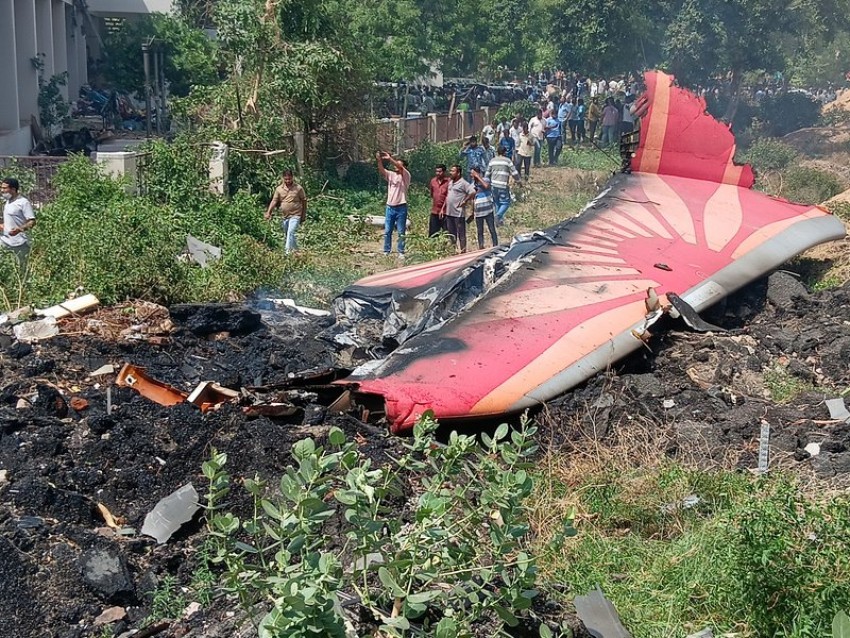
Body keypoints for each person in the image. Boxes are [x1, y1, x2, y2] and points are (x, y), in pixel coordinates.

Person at [375, 151, 411, 258]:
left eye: (399, 165)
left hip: (401, 206)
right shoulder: (391, 175)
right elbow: (382, 170)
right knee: (388, 230)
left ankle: (401, 251)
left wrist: (390, 159)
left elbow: (398, 166)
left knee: (401, 231)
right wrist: (379, 160)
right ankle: (387, 250)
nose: (395, 166)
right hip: (390, 206)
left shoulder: (406, 176)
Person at [265, 170, 307, 254]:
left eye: (289, 179)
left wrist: (303, 215)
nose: (288, 181)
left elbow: (304, 201)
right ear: (283, 178)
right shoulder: (279, 189)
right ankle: (297, 252)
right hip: (285, 216)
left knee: (290, 232)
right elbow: (274, 201)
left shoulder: (298, 188)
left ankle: (287, 254)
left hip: (296, 215)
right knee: (288, 234)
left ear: (292, 177)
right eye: (286, 179)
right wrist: (268, 212)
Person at [0, 177, 36, 273]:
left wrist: (19, 229)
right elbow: (10, 220)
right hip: (5, 240)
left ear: (13, 189)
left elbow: (32, 221)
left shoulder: (23, 202)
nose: (2, 191)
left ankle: (23, 286)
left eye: (4, 188)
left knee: (21, 268)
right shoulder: (7, 202)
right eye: (1, 188)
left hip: (20, 242)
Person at [442, 165, 476, 253]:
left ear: (458, 173)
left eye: (453, 171)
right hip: (449, 212)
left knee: (461, 233)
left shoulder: (463, 183)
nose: (451, 173)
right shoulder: (450, 182)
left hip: (458, 213)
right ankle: (453, 251)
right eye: (450, 171)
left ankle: (463, 250)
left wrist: (465, 201)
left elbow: (472, 192)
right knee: (451, 233)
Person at [485, 146, 521, 225]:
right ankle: (498, 216)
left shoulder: (492, 161)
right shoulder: (507, 161)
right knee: (505, 203)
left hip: (493, 185)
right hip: (503, 185)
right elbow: (514, 173)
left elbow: (487, 174)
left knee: (497, 203)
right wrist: (519, 181)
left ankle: (499, 222)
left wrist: (486, 183)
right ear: (505, 152)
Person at [469, 170, 498, 250]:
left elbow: (487, 186)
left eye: (473, 173)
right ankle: (481, 247)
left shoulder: (486, 180)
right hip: (478, 212)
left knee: (492, 229)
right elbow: (472, 199)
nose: (472, 175)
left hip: (488, 210)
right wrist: (472, 211)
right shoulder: (472, 185)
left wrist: (478, 177)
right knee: (480, 231)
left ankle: (496, 246)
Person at [427, 164, 450, 238]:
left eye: (440, 172)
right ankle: (433, 248)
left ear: (444, 172)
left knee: (446, 233)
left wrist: (443, 209)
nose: (437, 173)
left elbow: (449, 197)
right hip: (435, 211)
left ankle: (446, 248)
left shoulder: (449, 182)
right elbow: (431, 194)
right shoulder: (433, 181)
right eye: (436, 171)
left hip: (446, 212)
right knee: (433, 234)